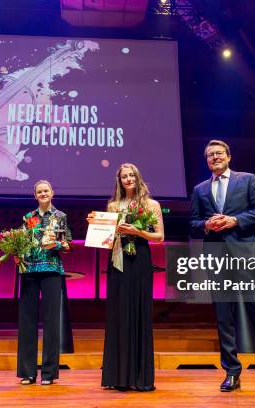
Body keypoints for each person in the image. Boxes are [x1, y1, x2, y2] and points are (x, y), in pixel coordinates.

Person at [189, 139, 255, 396]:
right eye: (210, 155)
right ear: (206, 160)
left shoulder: (248, 179)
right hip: (216, 256)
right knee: (224, 315)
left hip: (245, 252)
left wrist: (234, 220)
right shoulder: (200, 189)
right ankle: (232, 372)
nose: (215, 158)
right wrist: (206, 225)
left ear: (229, 156)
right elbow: (193, 223)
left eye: (219, 153)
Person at [97, 163, 164, 392]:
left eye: (131, 175)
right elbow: (104, 240)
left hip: (140, 261)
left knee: (138, 312)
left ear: (138, 177)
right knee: (118, 313)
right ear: (119, 181)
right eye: (124, 176)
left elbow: (159, 237)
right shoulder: (113, 205)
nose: (128, 179)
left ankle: (140, 376)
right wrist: (98, 229)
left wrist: (137, 232)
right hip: (118, 260)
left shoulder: (151, 205)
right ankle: (118, 376)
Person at [17, 180, 72, 385]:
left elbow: (66, 245)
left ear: (52, 192)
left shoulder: (60, 217)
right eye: (39, 191)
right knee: (27, 322)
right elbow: (22, 242)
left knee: (51, 322)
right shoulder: (28, 217)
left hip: (51, 270)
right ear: (35, 195)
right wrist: (17, 251)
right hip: (29, 270)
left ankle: (48, 373)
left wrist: (57, 243)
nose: (43, 194)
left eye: (46, 190)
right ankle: (27, 372)